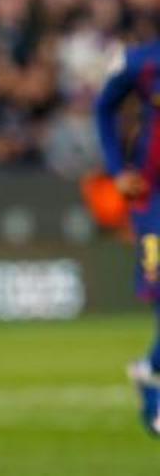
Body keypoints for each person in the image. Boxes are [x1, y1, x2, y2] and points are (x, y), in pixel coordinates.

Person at [96, 36, 160, 437]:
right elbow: (104, 107)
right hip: (154, 198)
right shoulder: (143, 62)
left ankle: (149, 368)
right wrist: (117, 169)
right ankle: (153, 391)